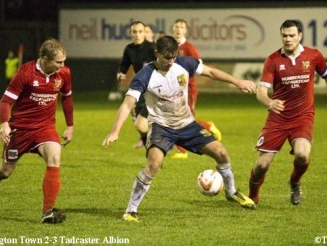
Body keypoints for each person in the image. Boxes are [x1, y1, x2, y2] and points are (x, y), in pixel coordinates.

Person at [103, 35, 257, 222]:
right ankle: (131, 210)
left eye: (173, 57)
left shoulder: (184, 63)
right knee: (153, 165)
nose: (171, 61)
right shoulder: (145, 75)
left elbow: (211, 72)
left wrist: (238, 82)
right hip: (161, 127)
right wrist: (115, 131)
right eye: (166, 57)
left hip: (187, 124)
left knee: (221, 153)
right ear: (156, 53)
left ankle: (231, 192)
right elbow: (127, 104)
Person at [248, 20, 327, 206]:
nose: (288, 39)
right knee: (261, 166)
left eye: (292, 35)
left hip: (302, 117)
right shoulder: (273, 60)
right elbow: (261, 91)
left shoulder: (313, 56)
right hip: (277, 119)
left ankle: (295, 182)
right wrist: (270, 102)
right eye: (284, 36)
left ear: (300, 36)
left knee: (302, 155)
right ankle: (253, 196)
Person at [0, 38, 74, 224]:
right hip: (20, 129)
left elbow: (66, 98)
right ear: (44, 58)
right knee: (5, 171)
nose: (62, 65)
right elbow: (5, 102)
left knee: (54, 157)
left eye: (64, 61)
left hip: (46, 127)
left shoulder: (64, 73)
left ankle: (47, 212)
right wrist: (4, 124)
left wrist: (70, 125)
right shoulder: (25, 73)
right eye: (58, 62)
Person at [171, 18, 222, 159]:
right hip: (174, 89)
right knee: (176, 117)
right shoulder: (171, 47)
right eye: (176, 26)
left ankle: (207, 126)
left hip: (188, 89)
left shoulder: (189, 48)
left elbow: (198, 67)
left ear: (185, 30)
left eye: (181, 27)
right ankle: (182, 151)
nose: (178, 29)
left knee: (187, 119)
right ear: (173, 29)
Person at [117, 21, 156, 149]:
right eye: (134, 32)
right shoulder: (129, 49)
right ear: (130, 33)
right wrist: (120, 73)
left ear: (145, 33)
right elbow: (124, 65)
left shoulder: (153, 48)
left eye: (140, 31)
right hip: (141, 90)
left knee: (143, 123)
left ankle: (157, 146)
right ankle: (150, 150)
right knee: (140, 125)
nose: (137, 34)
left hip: (155, 91)